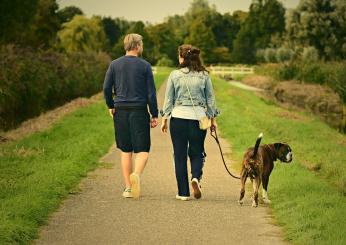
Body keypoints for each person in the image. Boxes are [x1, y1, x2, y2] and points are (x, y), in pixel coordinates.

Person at [160, 44, 219, 201]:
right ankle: (195, 177)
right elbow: (210, 100)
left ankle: (183, 193)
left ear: (182, 58)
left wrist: (164, 119)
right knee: (197, 151)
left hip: (178, 119)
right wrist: (213, 120)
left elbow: (169, 100)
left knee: (179, 155)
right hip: (199, 119)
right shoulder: (204, 75)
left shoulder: (174, 75)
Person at [103, 33, 158, 199]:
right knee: (142, 150)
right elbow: (151, 93)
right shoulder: (145, 66)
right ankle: (137, 175)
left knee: (126, 150)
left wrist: (111, 105)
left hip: (120, 110)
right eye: (141, 44)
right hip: (139, 110)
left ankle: (128, 188)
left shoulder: (114, 64)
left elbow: (106, 88)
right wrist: (154, 114)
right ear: (138, 46)